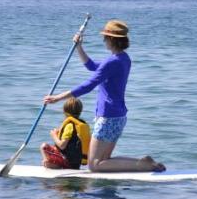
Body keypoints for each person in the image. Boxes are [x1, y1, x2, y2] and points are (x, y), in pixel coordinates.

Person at [43, 19, 164, 173]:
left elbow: (89, 85)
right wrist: (79, 47)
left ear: (112, 39)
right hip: (119, 117)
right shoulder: (123, 59)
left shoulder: (111, 62)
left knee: (94, 165)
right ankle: (143, 163)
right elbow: (92, 66)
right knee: (103, 161)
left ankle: (143, 165)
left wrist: (58, 98)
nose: (103, 40)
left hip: (107, 117)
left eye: (105, 37)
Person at [40, 97, 91, 169]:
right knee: (49, 158)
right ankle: (54, 164)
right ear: (80, 111)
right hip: (76, 163)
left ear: (64, 111)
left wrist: (54, 135)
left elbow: (62, 146)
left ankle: (56, 165)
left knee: (44, 147)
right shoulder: (82, 125)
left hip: (67, 161)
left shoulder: (69, 125)